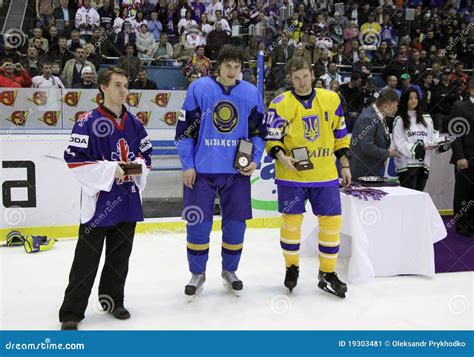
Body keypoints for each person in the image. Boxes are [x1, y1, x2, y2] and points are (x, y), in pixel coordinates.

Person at [59, 67, 152, 330]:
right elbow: (74, 158)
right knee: (86, 259)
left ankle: (113, 300)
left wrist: (135, 166)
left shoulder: (134, 123)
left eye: (126, 85)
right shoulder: (87, 120)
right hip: (99, 201)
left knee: (119, 256)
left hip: (127, 199)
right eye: (118, 85)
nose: (124, 91)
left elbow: (147, 154)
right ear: (103, 87)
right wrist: (111, 169)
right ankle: (72, 311)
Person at [175, 44, 265, 298]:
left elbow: (259, 134)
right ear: (218, 65)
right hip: (202, 172)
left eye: (237, 67)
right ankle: (197, 272)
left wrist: (255, 160)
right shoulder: (199, 88)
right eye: (228, 66)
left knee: (236, 225)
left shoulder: (250, 93)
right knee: (198, 224)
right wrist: (188, 165)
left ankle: (230, 270)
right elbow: (185, 132)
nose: (232, 71)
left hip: (236, 173)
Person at [264, 56, 351, 298]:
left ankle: (328, 272)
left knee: (332, 223)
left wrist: (344, 165)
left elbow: (340, 135)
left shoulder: (331, 99)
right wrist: (282, 158)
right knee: (292, 223)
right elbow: (272, 139)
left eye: (305, 76)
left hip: (325, 174)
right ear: (290, 79)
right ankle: (291, 267)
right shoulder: (280, 103)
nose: (302, 82)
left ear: (312, 75)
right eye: (296, 78)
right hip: (292, 176)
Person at [350, 88, 401, 178]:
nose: (396, 109)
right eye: (395, 106)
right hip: (363, 172)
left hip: (372, 170)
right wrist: (388, 153)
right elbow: (367, 147)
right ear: (385, 106)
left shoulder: (379, 116)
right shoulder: (368, 118)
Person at [392, 88, 436, 191]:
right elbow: (399, 143)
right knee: (408, 199)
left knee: (419, 197)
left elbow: (432, 137)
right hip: (406, 166)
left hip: (424, 164)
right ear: (405, 100)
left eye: (416, 98)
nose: (413, 100)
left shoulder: (427, 118)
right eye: (410, 98)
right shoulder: (399, 119)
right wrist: (417, 149)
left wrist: (438, 143)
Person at [448, 79, 474, 237]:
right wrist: (460, 157)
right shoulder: (460, 107)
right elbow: (455, 134)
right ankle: (461, 223)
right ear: (471, 90)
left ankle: (472, 222)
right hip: (465, 158)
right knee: (463, 193)